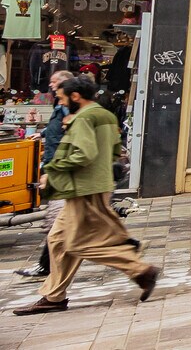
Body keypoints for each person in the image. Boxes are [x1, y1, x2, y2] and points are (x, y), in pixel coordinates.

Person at [11, 77, 157, 315]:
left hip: (82, 188)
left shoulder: (84, 118)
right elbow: (113, 151)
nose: (61, 101)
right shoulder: (106, 115)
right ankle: (54, 296)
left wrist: (52, 169)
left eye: (61, 97)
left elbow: (83, 155)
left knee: (78, 244)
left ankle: (140, 270)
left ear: (75, 96)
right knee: (57, 240)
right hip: (96, 185)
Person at [14, 71, 73, 282]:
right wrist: (44, 133)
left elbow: (73, 135)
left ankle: (47, 269)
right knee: (59, 225)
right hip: (57, 167)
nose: (51, 85)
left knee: (57, 225)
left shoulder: (70, 108)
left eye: (55, 82)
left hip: (61, 171)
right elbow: (58, 127)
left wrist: (55, 170)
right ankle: (46, 267)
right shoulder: (61, 105)